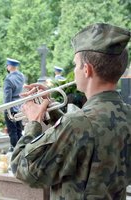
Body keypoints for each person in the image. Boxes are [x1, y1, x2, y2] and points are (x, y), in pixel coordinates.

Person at [11, 23, 131, 199]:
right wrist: (52, 111)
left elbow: (25, 170)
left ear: (87, 69)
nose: (74, 71)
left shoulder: (78, 124)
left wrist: (34, 122)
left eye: (75, 65)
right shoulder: (126, 113)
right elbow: (89, 137)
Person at [3, 58, 25, 148]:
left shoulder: (9, 79)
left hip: (11, 108)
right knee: (19, 131)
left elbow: (7, 97)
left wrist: (5, 110)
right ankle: (22, 150)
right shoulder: (21, 76)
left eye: (7, 65)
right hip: (19, 106)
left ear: (9, 67)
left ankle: (15, 151)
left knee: (12, 132)